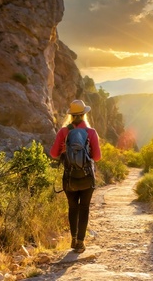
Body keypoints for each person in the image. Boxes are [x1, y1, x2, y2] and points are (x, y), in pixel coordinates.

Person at [50, 99, 101, 253]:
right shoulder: (91, 132)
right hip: (86, 177)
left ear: (71, 115)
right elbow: (97, 157)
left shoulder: (64, 132)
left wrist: (65, 151)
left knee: (73, 208)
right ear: (84, 114)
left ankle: (73, 238)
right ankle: (80, 242)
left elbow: (53, 154)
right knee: (84, 208)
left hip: (69, 178)